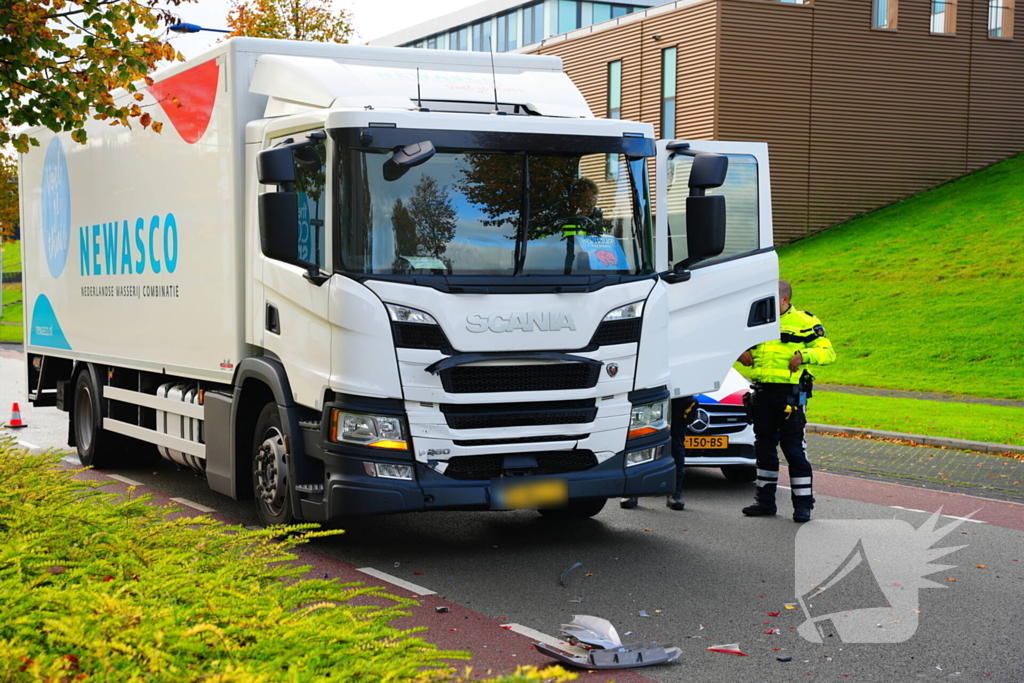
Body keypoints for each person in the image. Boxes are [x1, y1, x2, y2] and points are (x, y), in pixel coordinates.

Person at [737, 280, 835, 523]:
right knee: (764, 449)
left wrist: (804, 355)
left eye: (771, 300)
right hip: (762, 394)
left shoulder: (805, 321)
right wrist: (739, 351)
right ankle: (764, 502)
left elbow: (828, 352)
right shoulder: (756, 320)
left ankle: (803, 505)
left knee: (793, 451)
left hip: (790, 396)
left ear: (784, 300)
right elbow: (733, 344)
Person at [620, 397, 696, 511]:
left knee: (676, 444)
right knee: (637, 440)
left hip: (678, 399)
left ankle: (675, 492)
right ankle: (631, 490)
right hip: (649, 393)